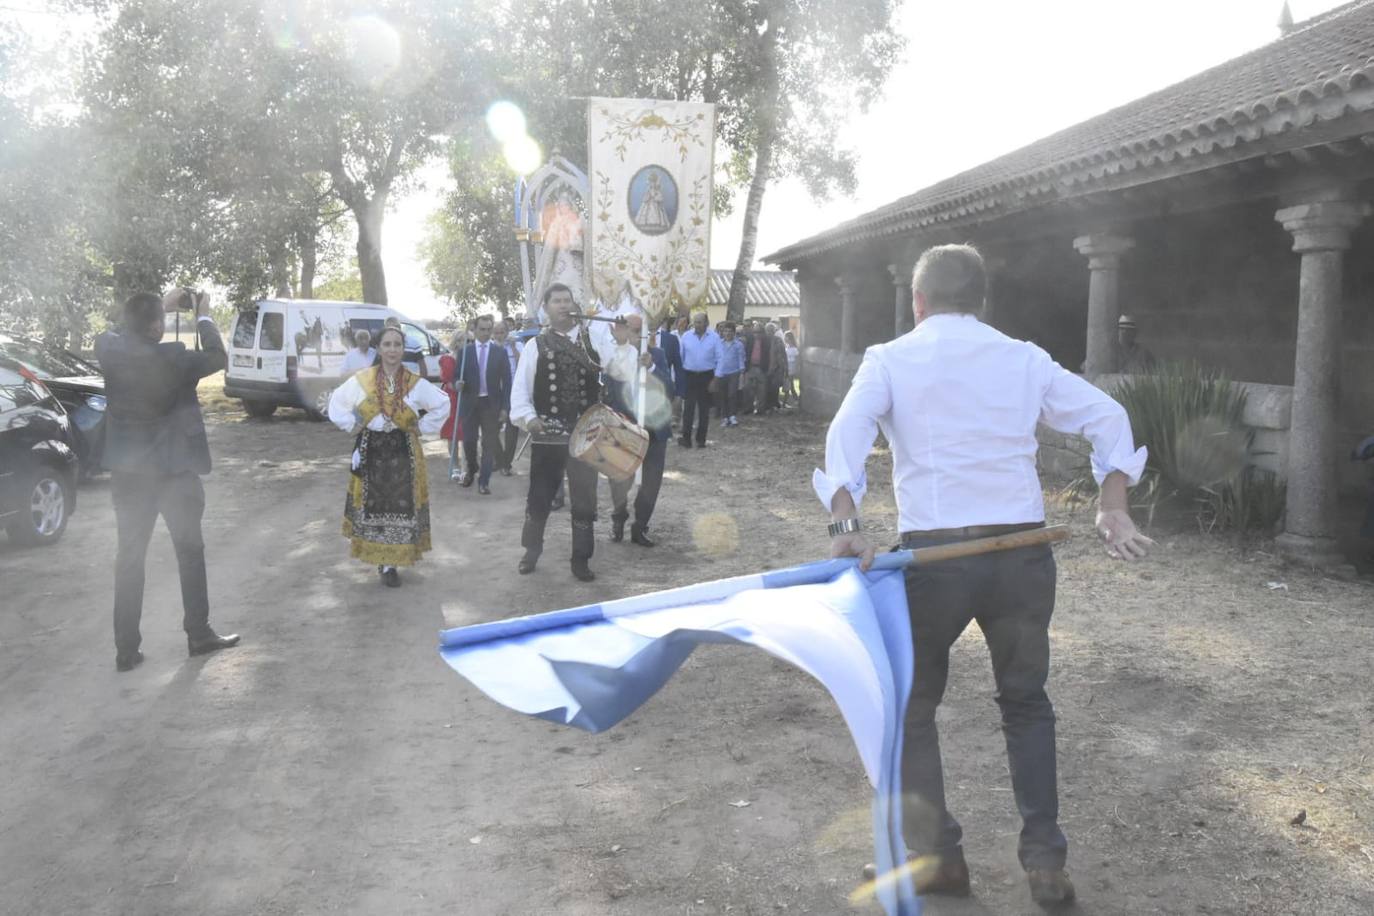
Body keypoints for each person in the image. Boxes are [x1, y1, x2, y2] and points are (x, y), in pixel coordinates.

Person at [819, 244, 1153, 907]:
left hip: (936, 563)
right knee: (1027, 703)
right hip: (1022, 558)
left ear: (918, 302)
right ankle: (1045, 864)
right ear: (981, 302)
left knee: (913, 708)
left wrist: (845, 523)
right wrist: (1112, 505)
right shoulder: (1023, 359)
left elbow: (844, 435)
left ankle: (939, 858)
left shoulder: (890, 360)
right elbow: (1108, 417)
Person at [95, 289, 240, 672]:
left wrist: (155, 307)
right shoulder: (174, 358)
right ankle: (198, 633)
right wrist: (203, 316)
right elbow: (217, 356)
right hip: (174, 472)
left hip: (128, 476)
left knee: (129, 558)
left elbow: (114, 334)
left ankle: (126, 650)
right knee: (189, 552)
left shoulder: (109, 351)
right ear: (158, 326)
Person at [328, 325, 449, 587]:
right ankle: (383, 561)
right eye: (387, 344)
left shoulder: (414, 382)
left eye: (397, 344)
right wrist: (354, 425)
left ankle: (393, 561)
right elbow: (336, 403)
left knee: (400, 504)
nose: (392, 349)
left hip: (404, 449)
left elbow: (442, 403)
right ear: (378, 348)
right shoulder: (364, 379)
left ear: (403, 349)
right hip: (371, 449)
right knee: (376, 505)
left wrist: (422, 427)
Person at [510, 283, 604, 581]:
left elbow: (619, 369)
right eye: (557, 301)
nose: (563, 305)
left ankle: (581, 558)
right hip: (547, 435)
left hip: (584, 434)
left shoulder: (594, 340)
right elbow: (520, 390)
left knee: (584, 497)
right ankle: (531, 550)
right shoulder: (535, 345)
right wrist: (528, 418)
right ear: (547, 308)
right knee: (540, 495)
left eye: (568, 300)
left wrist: (632, 348)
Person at [604, 314, 671, 546]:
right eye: (626, 331)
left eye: (635, 331)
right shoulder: (614, 357)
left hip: (654, 431)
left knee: (651, 482)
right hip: (625, 429)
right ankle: (618, 519)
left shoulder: (657, 355)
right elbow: (608, 393)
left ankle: (640, 526)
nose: (631, 336)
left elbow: (669, 388)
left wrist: (651, 367)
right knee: (619, 479)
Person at [454, 315, 511, 495]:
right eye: (482, 329)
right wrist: (458, 384)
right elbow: (456, 376)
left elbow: (507, 382)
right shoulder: (465, 352)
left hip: (491, 403)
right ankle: (471, 469)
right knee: (469, 441)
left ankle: (484, 481)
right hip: (470, 402)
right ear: (475, 329)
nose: (486, 333)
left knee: (489, 443)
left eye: (489, 330)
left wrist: (505, 408)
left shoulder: (499, 352)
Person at [678, 311, 722, 448]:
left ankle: (701, 440)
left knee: (704, 410)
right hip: (689, 376)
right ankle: (686, 439)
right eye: (695, 322)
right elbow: (681, 356)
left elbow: (720, 359)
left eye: (699, 322)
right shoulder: (686, 336)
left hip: (706, 376)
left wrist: (715, 379)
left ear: (706, 323)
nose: (696, 325)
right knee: (688, 409)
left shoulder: (714, 338)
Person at [494, 319, 522, 476]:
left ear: (507, 332)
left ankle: (506, 463)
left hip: (514, 389)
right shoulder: (490, 347)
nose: (499, 335)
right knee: (491, 428)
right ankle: (500, 460)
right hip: (496, 390)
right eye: (496, 332)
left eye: (502, 332)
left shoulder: (516, 345)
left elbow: (522, 363)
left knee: (512, 427)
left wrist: (512, 346)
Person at [715, 322, 744, 428]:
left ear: (734, 333)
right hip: (721, 372)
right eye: (725, 331)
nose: (727, 333)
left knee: (732, 394)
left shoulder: (738, 345)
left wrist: (741, 371)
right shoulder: (719, 344)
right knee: (722, 395)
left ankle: (732, 415)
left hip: (734, 372)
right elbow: (716, 358)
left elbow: (741, 358)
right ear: (722, 332)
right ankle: (724, 417)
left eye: (730, 331)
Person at [744, 319, 776, 415]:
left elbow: (771, 355)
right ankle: (748, 408)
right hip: (751, 367)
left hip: (762, 368)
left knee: (762, 390)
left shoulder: (768, 341)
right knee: (747, 388)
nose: (756, 334)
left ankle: (760, 410)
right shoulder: (750, 340)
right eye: (754, 332)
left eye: (758, 332)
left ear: (763, 332)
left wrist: (771, 368)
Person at [765, 322, 787, 412]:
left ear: (774, 331)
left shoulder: (778, 340)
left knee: (775, 387)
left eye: (771, 330)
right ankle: (767, 404)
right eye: (768, 330)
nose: (770, 332)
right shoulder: (764, 340)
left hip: (776, 368)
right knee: (766, 387)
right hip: (765, 367)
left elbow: (782, 354)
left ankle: (774, 403)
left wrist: (784, 367)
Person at [782, 330, 800, 406]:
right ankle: (795, 399)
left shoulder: (794, 349)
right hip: (787, 368)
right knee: (790, 385)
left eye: (786, 337)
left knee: (788, 385)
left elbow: (796, 360)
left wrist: (795, 369)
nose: (785, 339)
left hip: (791, 369)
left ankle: (785, 402)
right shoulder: (787, 348)